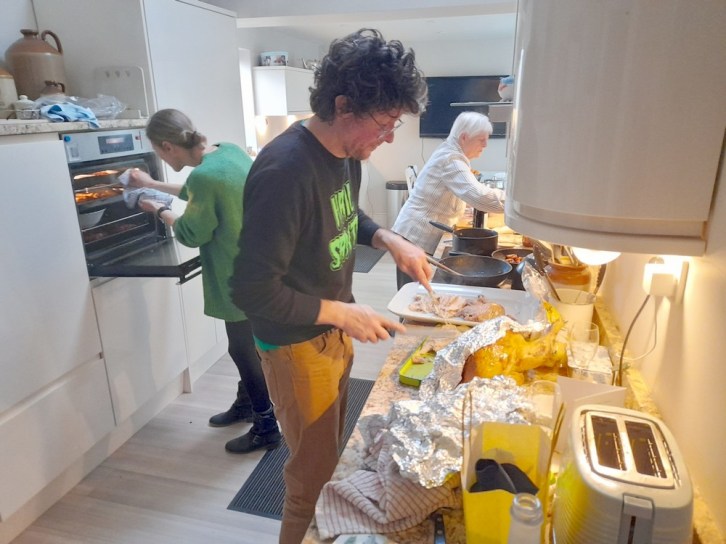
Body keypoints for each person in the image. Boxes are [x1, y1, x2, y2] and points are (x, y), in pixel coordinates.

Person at [230, 29, 433, 544]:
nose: (389, 138)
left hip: (329, 329)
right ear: (343, 106)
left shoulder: (345, 155)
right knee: (312, 479)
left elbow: (345, 214)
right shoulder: (284, 171)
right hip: (295, 345)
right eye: (384, 124)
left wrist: (388, 238)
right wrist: (343, 313)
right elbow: (252, 291)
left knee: (329, 457)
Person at [128, 108, 281, 454]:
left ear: (168, 146)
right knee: (246, 346)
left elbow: (191, 232)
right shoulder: (229, 152)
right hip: (261, 265)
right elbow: (202, 191)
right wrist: (152, 184)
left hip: (236, 274)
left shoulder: (205, 177)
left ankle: (266, 426)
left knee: (242, 350)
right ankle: (247, 404)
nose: (161, 159)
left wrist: (157, 208)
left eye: (158, 152)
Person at [392, 111, 506, 288]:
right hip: (416, 236)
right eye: (481, 139)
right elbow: (479, 196)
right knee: (412, 292)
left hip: (416, 235)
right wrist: (516, 204)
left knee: (416, 290)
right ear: (464, 137)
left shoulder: (451, 153)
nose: (485, 144)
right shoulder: (451, 159)